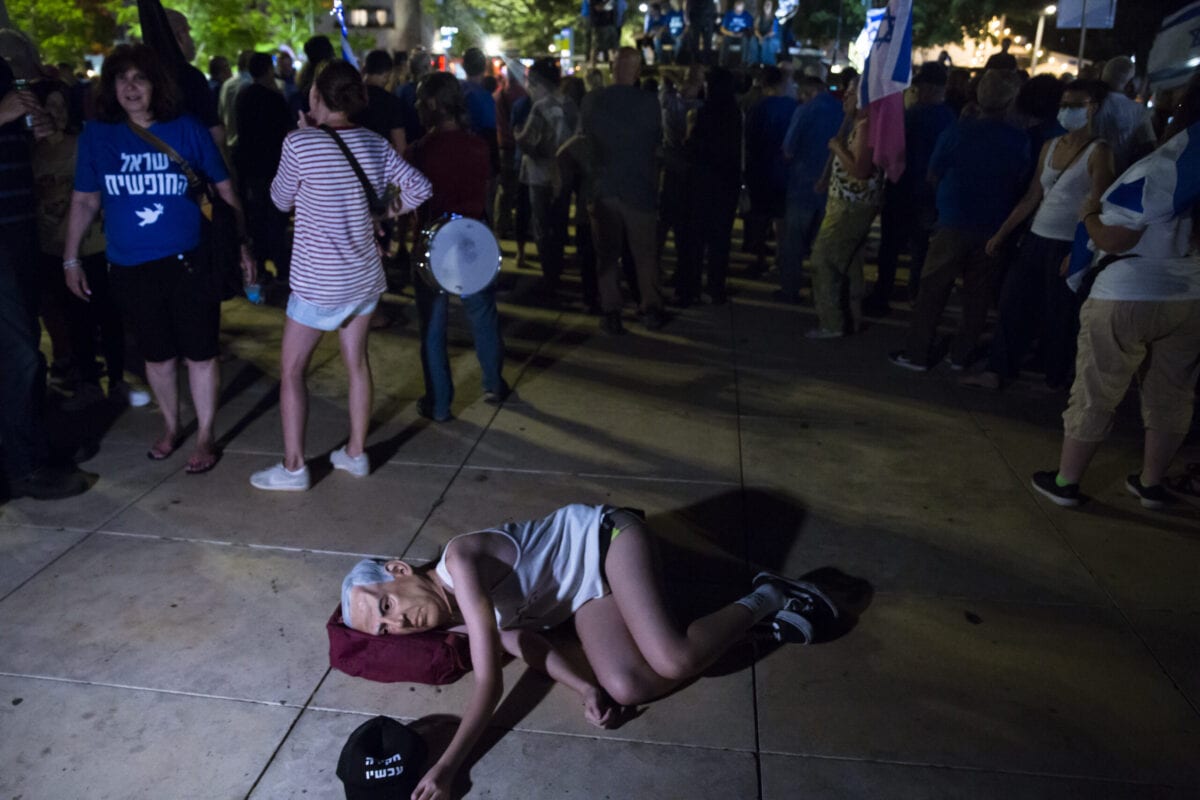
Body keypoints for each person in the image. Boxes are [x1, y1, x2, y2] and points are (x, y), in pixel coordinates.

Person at [339, 503, 838, 800]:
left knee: (674, 660)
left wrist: (447, 767)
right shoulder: (452, 618)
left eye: (386, 605)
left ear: (400, 571)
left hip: (606, 540)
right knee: (626, 686)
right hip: (583, 595)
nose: (397, 622)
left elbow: (491, 682)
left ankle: (769, 595)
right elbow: (526, 641)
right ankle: (751, 631)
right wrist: (583, 686)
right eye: (384, 629)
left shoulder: (460, 561)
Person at [64, 44, 255, 475]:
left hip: (190, 261)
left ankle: (205, 434)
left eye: (140, 78)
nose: (131, 87)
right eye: (121, 79)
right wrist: (71, 258)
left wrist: (241, 244)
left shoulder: (186, 128)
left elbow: (225, 192)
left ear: (156, 86)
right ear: (110, 87)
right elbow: (83, 200)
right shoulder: (97, 135)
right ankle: (172, 427)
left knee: (201, 353)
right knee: (157, 355)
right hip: (130, 264)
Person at [250, 60, 431, 491]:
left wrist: (301, 134)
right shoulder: (373, 141)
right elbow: (420, 188)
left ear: (316, 96)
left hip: (318, 281)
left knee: (292, 371)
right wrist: (382, 210)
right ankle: (355, 452)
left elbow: (278, 200)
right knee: (357, 363)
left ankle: (294, 467)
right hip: (364, 275)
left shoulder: (301, 144)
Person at [1031, 80, 1200, 511]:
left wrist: (1088, 216)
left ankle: (1066, 481)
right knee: (1173, 392)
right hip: (1189, 297)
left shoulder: (1169, 165)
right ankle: (1151, 483)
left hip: (1127, 292)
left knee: (1096, 387)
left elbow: (1116, 236)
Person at [963, 80, 1115, 391]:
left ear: (1093, 108)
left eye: (1075, 105)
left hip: (1067, 242)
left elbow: (1099, 205)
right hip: (1036, 236)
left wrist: (1081, 251)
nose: (1067, 111)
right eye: (1064, 104)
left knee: (1060, 312)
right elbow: (1033, 196)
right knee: (1012, 302)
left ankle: (1055, 375)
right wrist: (1002, 234)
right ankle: (998, 368)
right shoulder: (1050, 146)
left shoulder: (1100, 152)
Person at [889, 70, 1030, 370]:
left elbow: (933, 174)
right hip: (994, 228)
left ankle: (918, 352)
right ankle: (962, 354)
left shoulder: (957, 132)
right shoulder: (1020, 140)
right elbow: (1023, 182)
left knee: (933, 290)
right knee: (977, 297)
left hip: (953, 222)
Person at [0, 50, 91, 500]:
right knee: (19, 352)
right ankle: (24, 464)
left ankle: (26, 453)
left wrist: (30, 132)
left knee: (22, 347)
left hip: (19, 224)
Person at [405, 71, 509, 422]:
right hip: (472, 236)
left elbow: (408, 201)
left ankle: (439, 403)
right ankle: (494, 383)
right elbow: (488, 191)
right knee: (482, 315)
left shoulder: (419, 150)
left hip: (432, 243)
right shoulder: (479, 145)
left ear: (430, 105)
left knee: (433, 327)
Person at [32, 80, 125, 410]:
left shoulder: (81, 144)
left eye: (59, 106)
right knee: (74, 319)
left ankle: (116, 379)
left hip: (94, 245)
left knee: (108, 315)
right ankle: (87, 381)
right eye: (47, 107)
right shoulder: (30, 153)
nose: (54, 113)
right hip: (52, 248)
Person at [580, 47, 666, 333]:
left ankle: (611, 311)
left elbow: (586, 143)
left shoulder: (592, 100)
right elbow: (656, 142)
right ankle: (650, 307)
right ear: (637, 72)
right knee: (644, 256)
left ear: (612, 69)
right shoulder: (649, 103)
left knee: (607, 256)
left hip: (603, 188)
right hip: (639, 189)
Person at [865, 61, 956, 314]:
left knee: (891, 247)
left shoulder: (911, 116)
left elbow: (891, 153)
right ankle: (916, 297)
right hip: (930, 195)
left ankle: (882, 295)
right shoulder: (950, 118)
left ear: (925, 87)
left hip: (902, 189)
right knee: (921, 250)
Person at [804, 77, 882, 338]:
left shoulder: (866, 125)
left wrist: (838, 148)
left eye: (850, 93)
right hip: (847, 203)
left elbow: (860, 170)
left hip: (850, 207)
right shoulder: (860, 123)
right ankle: (854, 316)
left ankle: (832, 323)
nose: (845, 98)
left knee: (823, 259)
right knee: (849, 261)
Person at [775, 74, 843, 305]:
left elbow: (788, 149)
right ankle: (821, 293)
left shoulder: (804, 111)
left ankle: (790, 290)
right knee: (823, 245)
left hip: (802, 186)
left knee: (793, 243)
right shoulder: (842, 110)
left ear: (807, 92)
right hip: (831, 186)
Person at [676, 67, 742, 305]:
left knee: (695, 239)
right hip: (727, 185)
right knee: (720, 241)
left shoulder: (704, 114)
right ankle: (716, 287)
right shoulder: (734, 114)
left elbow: (694, 147)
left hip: (702, 184)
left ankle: (689, 287)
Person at [514, 58, 577, 295]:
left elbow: (529, 142)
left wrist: (518, 135)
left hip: (540, 175)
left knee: (541, 225)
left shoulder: (539, 107)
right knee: (560, 223)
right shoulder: (570, 105)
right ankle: (558, 266)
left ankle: (549, 275)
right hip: (564, 173)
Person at [234, 52, 293, 286]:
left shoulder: (243, 96)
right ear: (268, 69)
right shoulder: (274, 98)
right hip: (274, 166)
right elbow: (285, 132)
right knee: (277, 219)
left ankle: (259, 266)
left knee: (256, 218)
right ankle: (281, 266)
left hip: (250, 166)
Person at [743, 65, 797, 275]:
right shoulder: (793, 107)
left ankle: (760, 259)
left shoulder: (758, 108)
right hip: (785, 170)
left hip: (761, 169)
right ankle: (781, 259)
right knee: (781, 219)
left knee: (760, 217)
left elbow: (750, 141)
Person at [1092, 56, 1157, 174]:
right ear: (1130, 81)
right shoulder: (1137, 110)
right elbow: (1148, 145)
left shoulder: (1089, 102)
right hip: (1118, 176)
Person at [355, 50, 407, 153]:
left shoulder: (351, 97)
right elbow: (400, 146)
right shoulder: (391, 102)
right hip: (381, 162)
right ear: (386, 74)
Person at [718, 0, 754, 67]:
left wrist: (743, 33)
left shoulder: (747, 15)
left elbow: (750, 29)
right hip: (730, 34)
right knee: (725, 40)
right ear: (735, 8)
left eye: (740, 11)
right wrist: (731, 33)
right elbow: (722, 29)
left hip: (742, 35)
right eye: (737, 10)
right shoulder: (729, 14)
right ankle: (723, 62)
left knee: (745, 40)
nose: (739, 12)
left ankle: (744, 62)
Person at [745, 0, 781, 67]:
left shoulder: (774, 18)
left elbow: (773, 31)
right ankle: (753, 62)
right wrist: (760, 37)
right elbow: (755, 29)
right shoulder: (759, 16)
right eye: (766, 5)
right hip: (759, 35)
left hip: (770, 36)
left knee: (767, 42)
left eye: (769, 5)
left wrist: (763, 38)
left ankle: (767, 63)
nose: (767, 6)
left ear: (772, 7)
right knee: (753, 40)